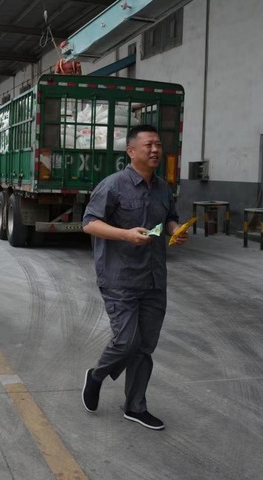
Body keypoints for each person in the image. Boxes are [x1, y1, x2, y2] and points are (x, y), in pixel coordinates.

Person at [81, 124, 188, 430]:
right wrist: (125, 235)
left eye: (158, 145)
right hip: (120, 277)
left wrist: (174, 232)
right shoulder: (113, 185)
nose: (155, 150)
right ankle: (97, 375)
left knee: (145, 347)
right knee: (127, 341)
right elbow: (89, 223)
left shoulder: (163, 187)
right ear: (131, 151)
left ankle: (135, 406)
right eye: (148, 145)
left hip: (154, 278)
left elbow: (169, 217)